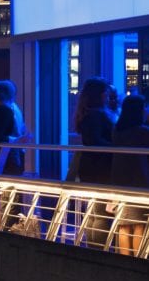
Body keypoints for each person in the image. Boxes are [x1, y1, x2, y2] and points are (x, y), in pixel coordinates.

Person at [75, 77, 113, 248]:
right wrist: (115, 147)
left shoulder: (86, 113)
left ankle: (92, 248)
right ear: (100, 94)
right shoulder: (97, 115)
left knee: (93, 211)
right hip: (100, 169)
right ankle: (98, 249)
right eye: (106, 92)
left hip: (89, 168)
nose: (108, 95)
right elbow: (95, 140)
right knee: (100, 213)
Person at [111, 94, 149, 256]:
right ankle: (137, 262)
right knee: (139, 224)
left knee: (124, 225)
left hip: (119, 180)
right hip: (139, 180)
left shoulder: (117, 131)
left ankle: (124, 261)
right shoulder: (142, 132)